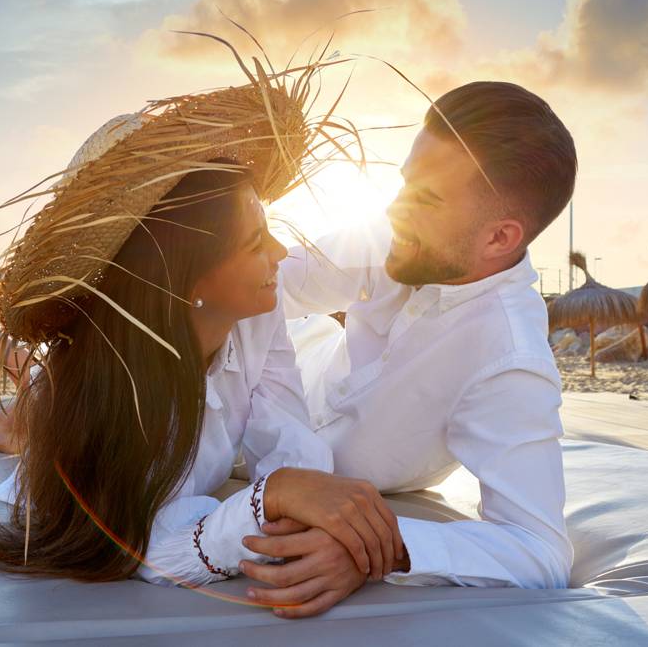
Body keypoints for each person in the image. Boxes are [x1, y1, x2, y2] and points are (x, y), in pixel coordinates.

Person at [0, 86, 403, 619]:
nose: (280, 254)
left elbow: (287, 433)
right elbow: (146, 545)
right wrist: (272, 497)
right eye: (256, 243)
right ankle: (11, 411)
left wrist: (311, 519)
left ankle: (13, 419)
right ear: (188, 278)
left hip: (82, 391)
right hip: (73, 424)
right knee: (42, 391)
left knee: (39, 389)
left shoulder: (259, 311)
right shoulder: (117, 393)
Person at [240, 81, 577, 601]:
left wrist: (380, 547)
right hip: (263, 382)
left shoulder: (509, 360)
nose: (394, 209)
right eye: (403, 183)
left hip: (303, 470)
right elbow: (263, 282)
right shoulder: (391, 236)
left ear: (499, 238)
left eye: (425, 199)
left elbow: (539, 550)